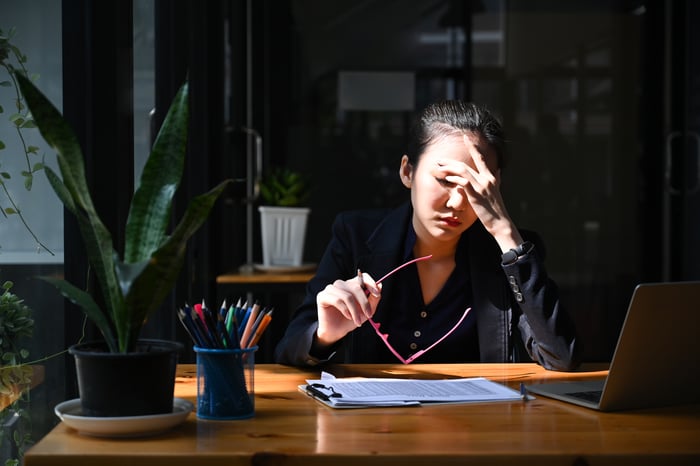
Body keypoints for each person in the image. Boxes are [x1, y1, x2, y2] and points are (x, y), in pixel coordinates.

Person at [274, 100, 580, 371]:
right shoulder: (354, 236)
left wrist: (504, 232)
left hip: (477, 428)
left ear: (495, 186)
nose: (458, 202)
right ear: (407, 172)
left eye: (475, 187)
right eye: (446, 180)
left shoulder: (510, 255)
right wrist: (325, 336)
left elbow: (560, 357)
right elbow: (289, 348)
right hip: (371, 428)